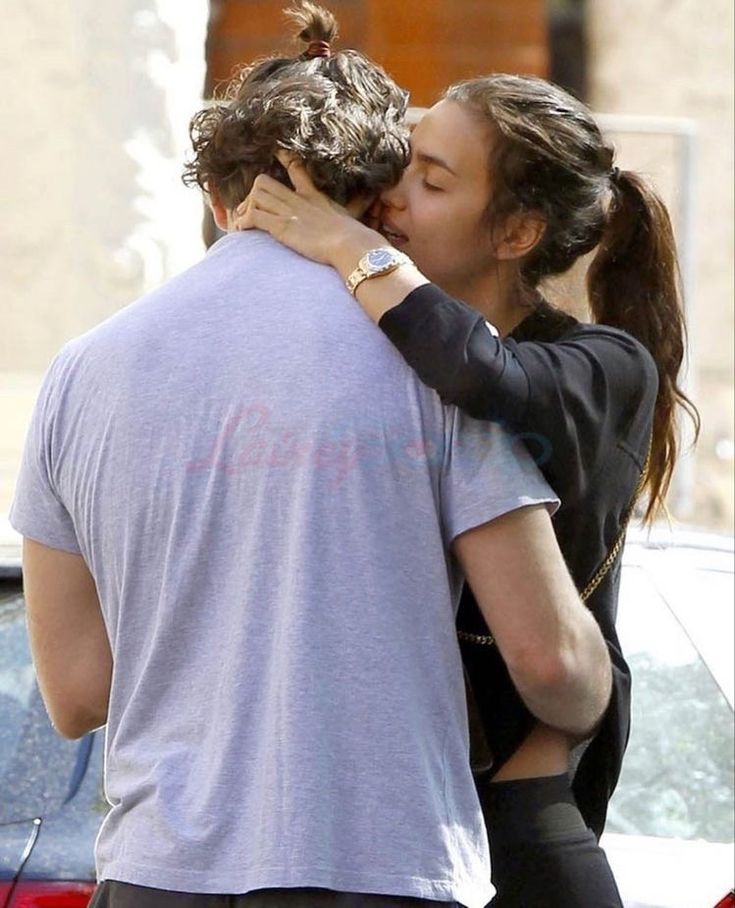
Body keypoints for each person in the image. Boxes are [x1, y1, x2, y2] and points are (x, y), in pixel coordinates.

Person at [10, 8, 612, 908]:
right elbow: (549, 662)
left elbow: (79, 695)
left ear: (216, 197)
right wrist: (591, 701)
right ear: (380, 203)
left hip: (156, 873)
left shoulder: (80, 373)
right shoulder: (431, 362)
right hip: (381, 871)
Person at [236, 72, 700, 907]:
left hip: (518, 836)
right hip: (369, 835)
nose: (387, 200)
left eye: (433, 180)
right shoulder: (378, 356)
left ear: (517, 231)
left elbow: (480, 373)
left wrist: (343, 247)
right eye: (403, 164)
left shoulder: (602, 367)